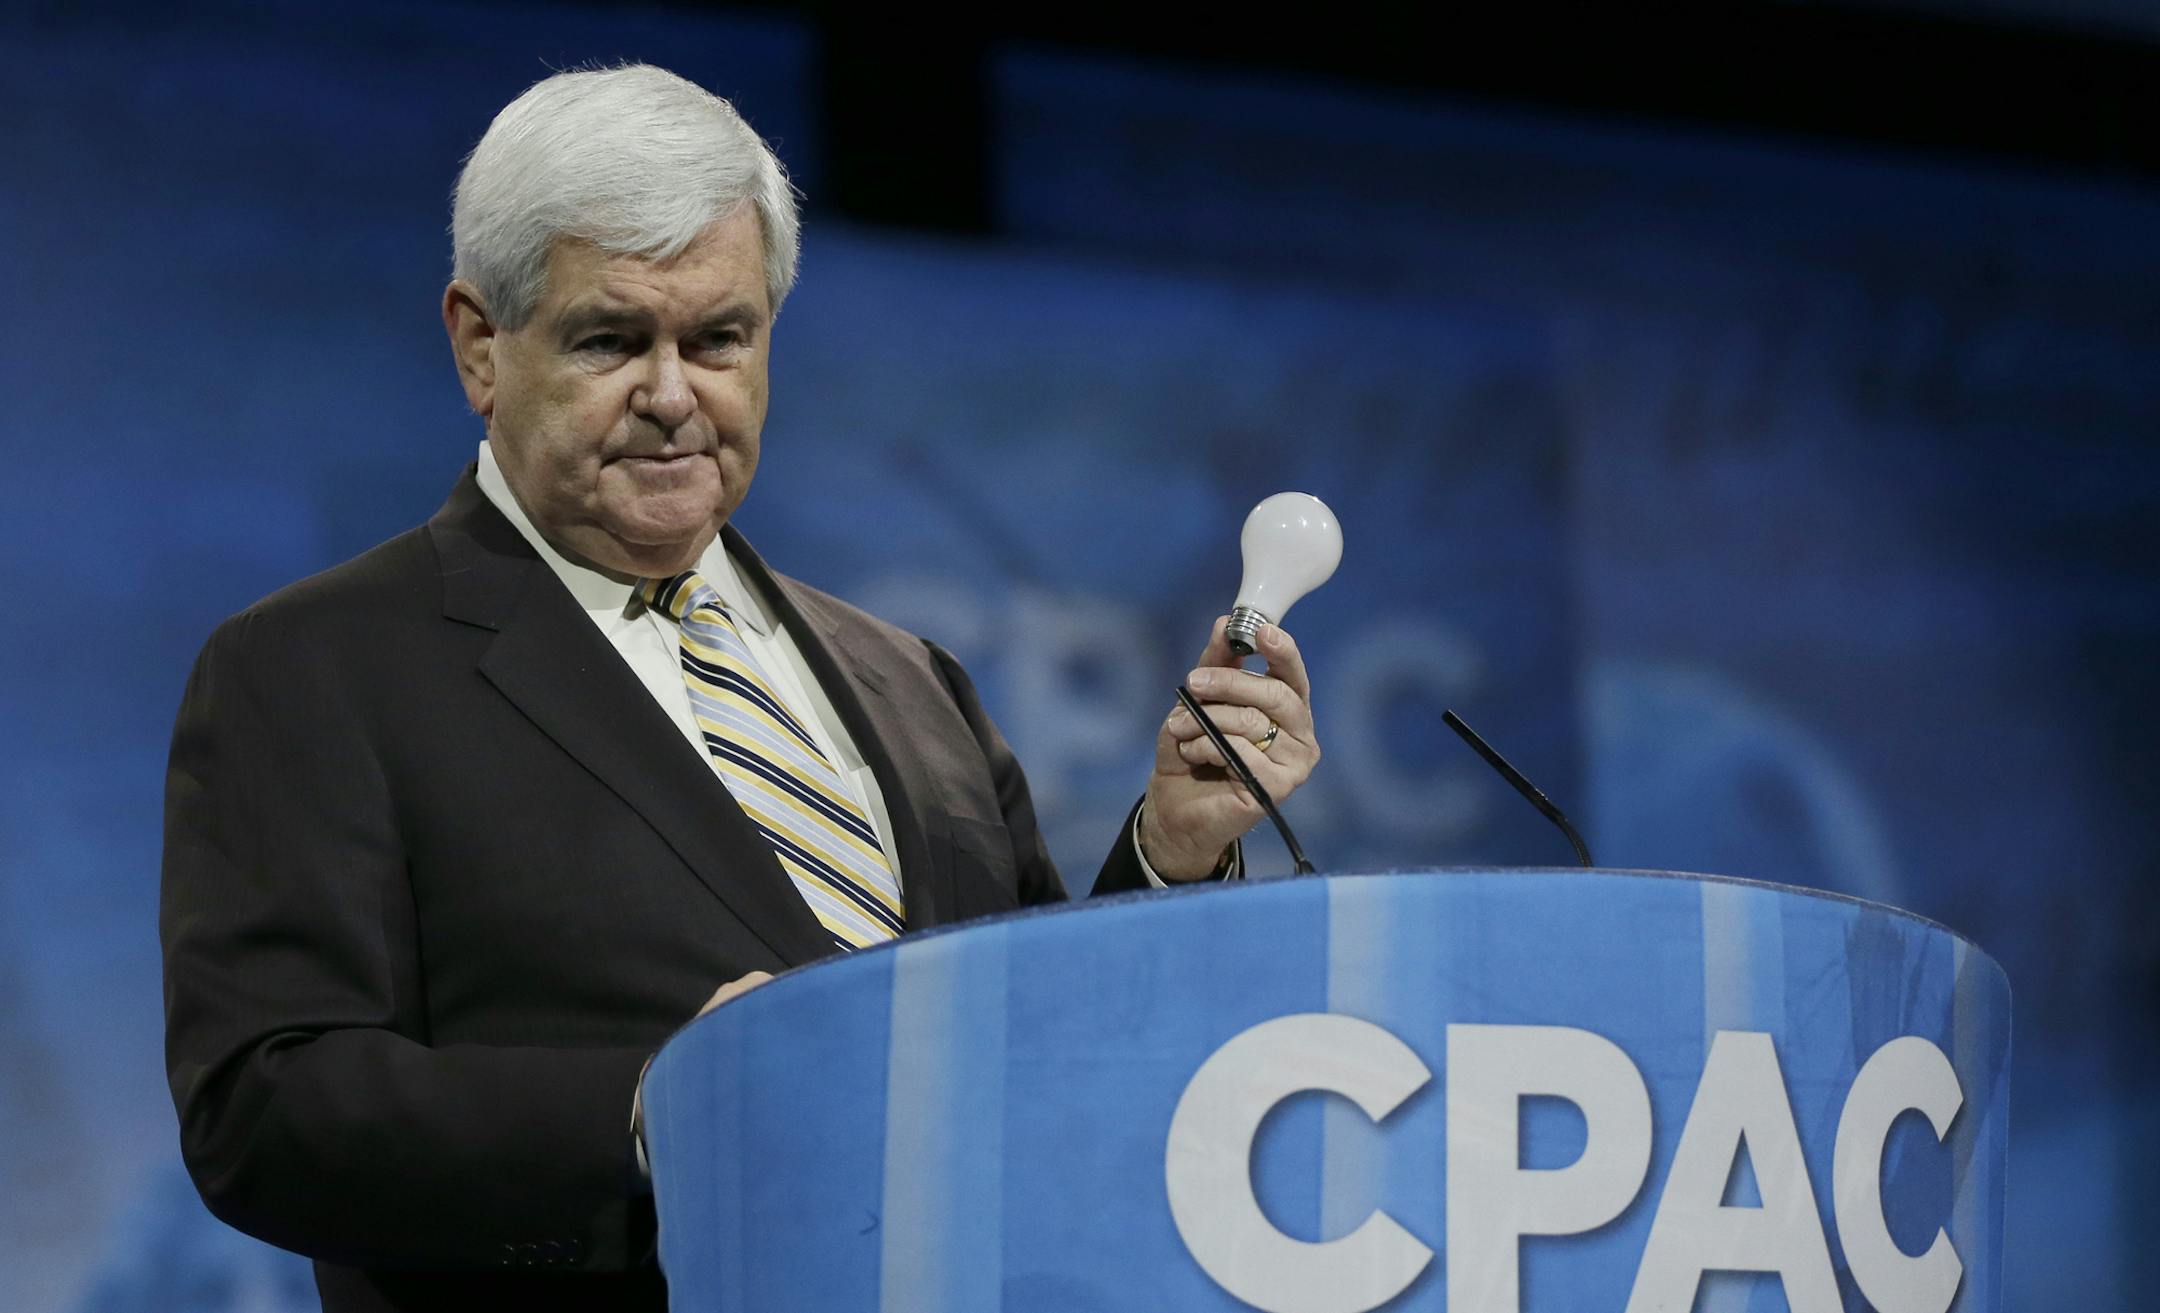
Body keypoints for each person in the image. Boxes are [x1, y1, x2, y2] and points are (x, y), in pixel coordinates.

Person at [160, 64, 1318, 1313]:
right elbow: (264, 1106)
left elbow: (1029, 1041)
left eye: (719, 337)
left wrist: (1171, 856)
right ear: (480, 345)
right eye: (611, 338)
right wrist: (668, 1107)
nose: (673, 395)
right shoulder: (319, 667)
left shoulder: (911, 679)